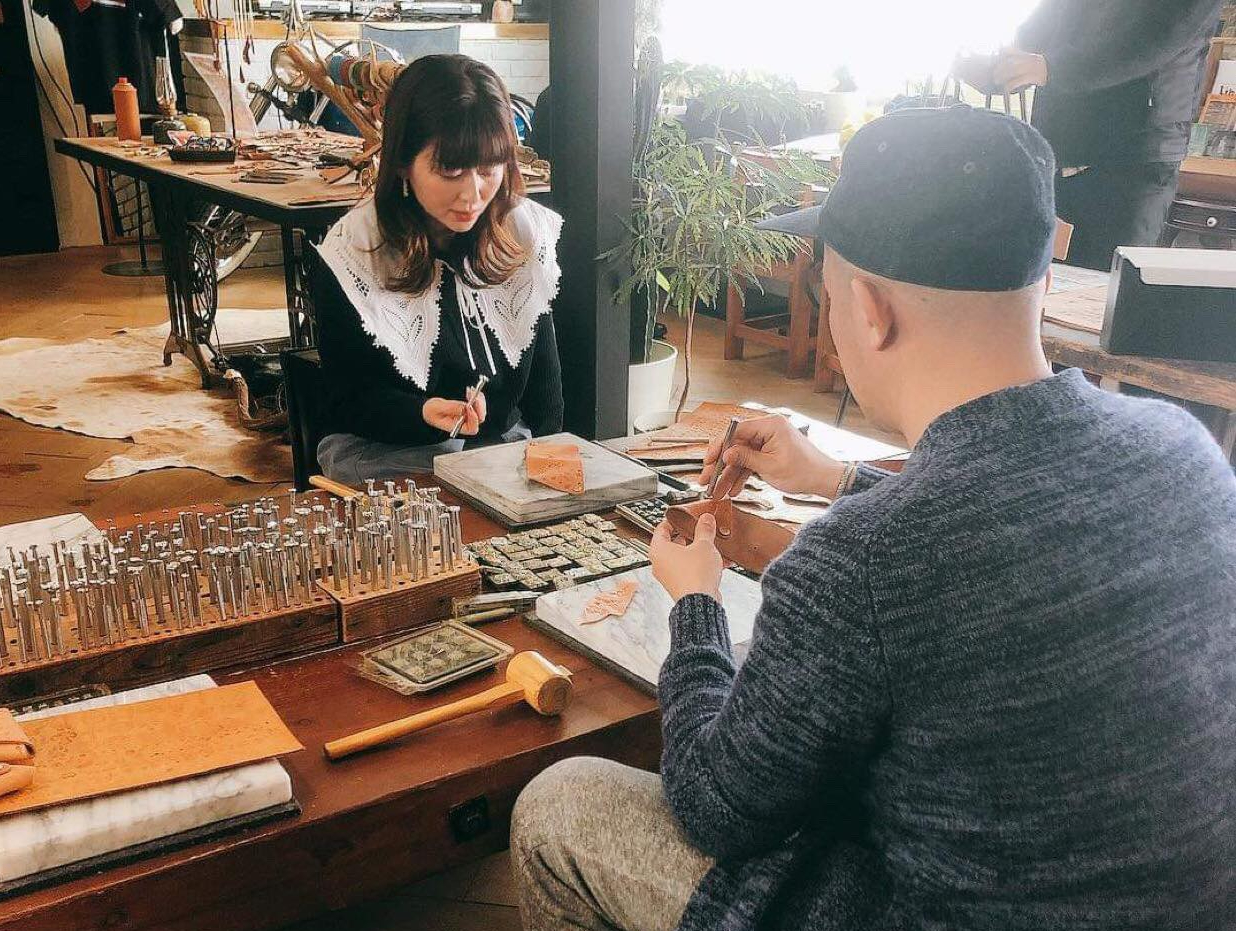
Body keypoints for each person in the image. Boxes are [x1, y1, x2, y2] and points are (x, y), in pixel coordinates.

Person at [509, 107, 1235, 931]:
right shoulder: (1185, 449)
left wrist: (696, 603)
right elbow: (1000, 536)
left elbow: (714, 803)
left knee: (561, 805)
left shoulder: (863, 561)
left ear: (870, 310)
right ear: (1039, 282)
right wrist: (834, 479)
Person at [313, 54, 564, 485]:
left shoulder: (523, 230)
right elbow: (345, 401)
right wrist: (422, 413)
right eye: (450, 169)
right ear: (403, 161)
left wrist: (552, 474)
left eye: (488, 167)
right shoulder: (354, 250)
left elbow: (544, 384)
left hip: (498, 452)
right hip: (388, 454)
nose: (473, 193)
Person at [954, 0, 1223, 270]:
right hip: (1055, 156)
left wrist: (1051, 68)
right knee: (1039, 280)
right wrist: (996, 70)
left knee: (1107, 285)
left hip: (1132, 164)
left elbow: (1150, 40)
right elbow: (1037, 32)